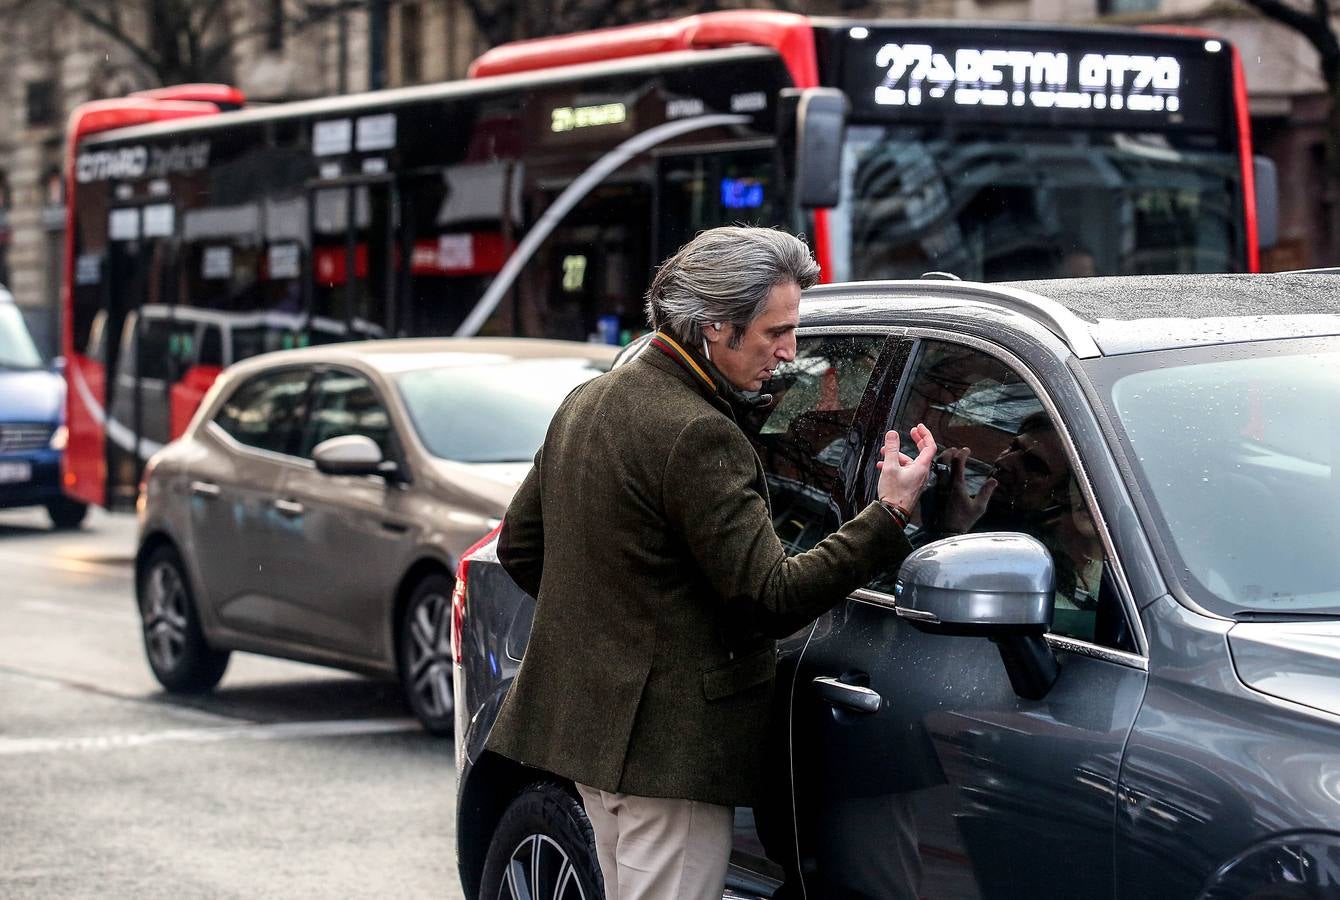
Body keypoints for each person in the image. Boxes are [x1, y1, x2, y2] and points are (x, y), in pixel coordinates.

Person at [489, 226, 938, 900]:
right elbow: (772, 596)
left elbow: (522, 548)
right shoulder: (698, 432)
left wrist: (618, 640)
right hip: (670, 754)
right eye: (773, 332)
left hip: (591, 736)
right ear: (714, 328)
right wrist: (889, 515)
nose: (789, 352)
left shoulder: (589, 400)